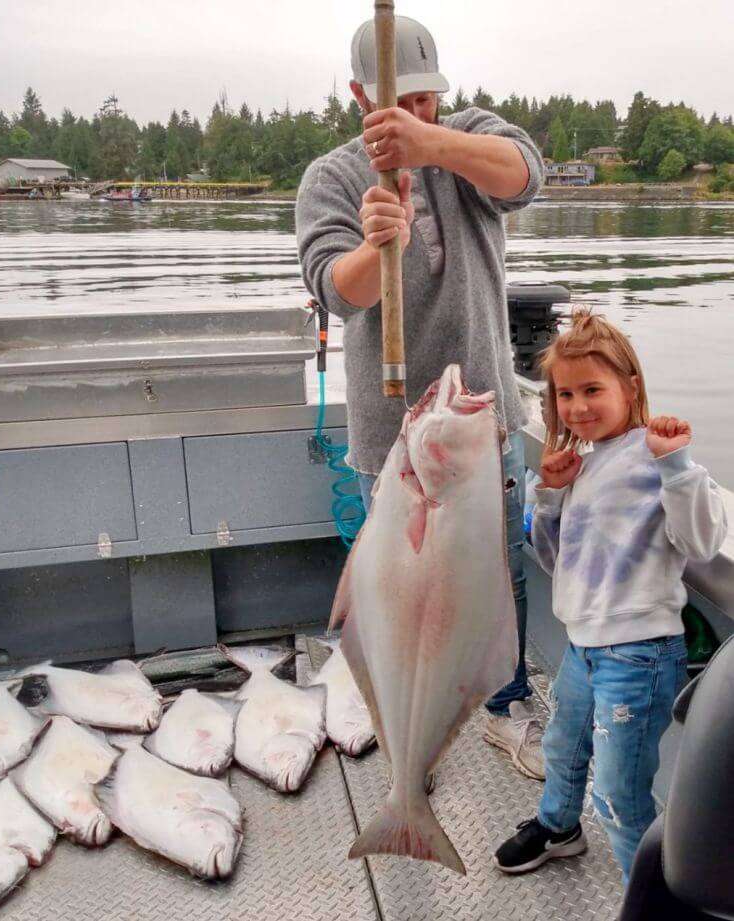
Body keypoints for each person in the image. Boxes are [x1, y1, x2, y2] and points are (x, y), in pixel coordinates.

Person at [296, 16, 546, 778]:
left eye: (426, 101)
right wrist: (378, 248)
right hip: (392, 438)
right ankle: (409, 725)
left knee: (496, 575)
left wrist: (431, 146)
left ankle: (508, 708)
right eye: (396, 101)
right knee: (399, 601)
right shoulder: (331, 179)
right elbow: (335, 292)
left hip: (481, 425)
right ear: (358, 94)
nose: (415, 113)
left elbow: (525, 173)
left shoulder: (467, 137)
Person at [493, 310, 728, 883]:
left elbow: (700, 539)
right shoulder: (584, 465)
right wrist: (549, 494)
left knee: (621, 795)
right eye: (565, 394)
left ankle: (647, 894)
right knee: (563, 748)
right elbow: (554, 562)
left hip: (639, 656)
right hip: (583, 646)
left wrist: (677, 465)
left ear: (631, 387)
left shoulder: (656, 457)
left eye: (592, 390)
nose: (577, 407)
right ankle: (558, 827)